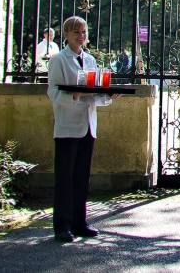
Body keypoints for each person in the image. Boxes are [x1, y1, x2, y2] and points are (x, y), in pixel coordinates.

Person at [47, 16, 119, 243]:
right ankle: (62, 225)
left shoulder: (90, 60)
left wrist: (107, 96)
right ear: (66, 35)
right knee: (65, 178)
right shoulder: (59, 60)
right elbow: (54, 93)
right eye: (76, 32)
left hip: (88, 125)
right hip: (67, 126)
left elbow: (93, 94)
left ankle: (79, 222)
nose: (81, 36)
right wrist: (74, 95)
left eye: (84, 32)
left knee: (81, 177)